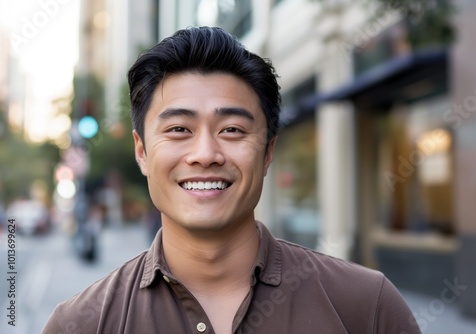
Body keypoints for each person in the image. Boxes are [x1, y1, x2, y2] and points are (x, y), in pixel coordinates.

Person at [42, 26, 421, 334]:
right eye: (178, 128)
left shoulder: (367, 308)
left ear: (268, 151)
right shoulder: (82, 324)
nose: (205, 153)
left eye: (232, 129)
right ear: (142, 151)